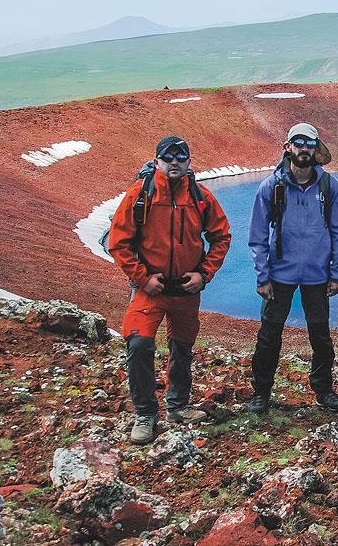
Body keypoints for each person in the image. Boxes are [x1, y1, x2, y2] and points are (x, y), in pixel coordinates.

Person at [108, 136, 231, 444]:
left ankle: (177, 406)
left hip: (186, 290)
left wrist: (204, 274)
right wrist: (142, 278)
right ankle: (145, 414)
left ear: (189, 162)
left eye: (180, 157)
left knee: (182, 347)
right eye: (168, 157)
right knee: (139, 345)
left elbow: (221, 236)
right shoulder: (141, 194)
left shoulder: (200, 196)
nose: (174, 162)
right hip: (150, 289)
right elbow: (118, 242)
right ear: (157, 162)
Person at [247, 123, 338, 413]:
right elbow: (257, 235)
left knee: (321, 335)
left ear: (316, 149)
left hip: (318, 275)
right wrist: (262, 277)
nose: (304, 148)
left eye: (310, 144)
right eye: (299, 143)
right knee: (269, 335)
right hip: (279, 274)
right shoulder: (272, 186)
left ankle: (324, 390)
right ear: (288, 147)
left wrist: (336, 273)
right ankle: (261, 392)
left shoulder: (329, 186)